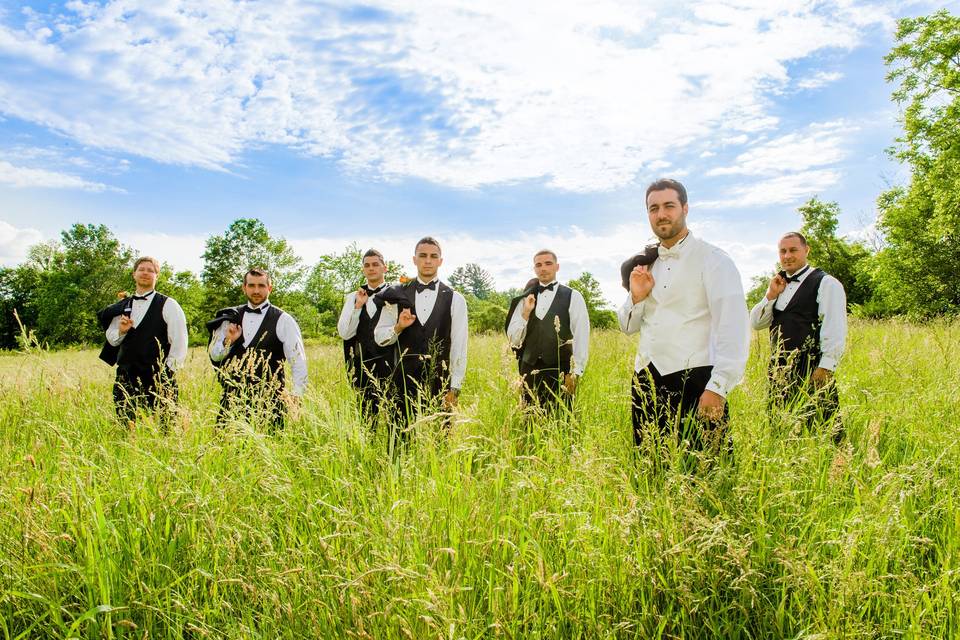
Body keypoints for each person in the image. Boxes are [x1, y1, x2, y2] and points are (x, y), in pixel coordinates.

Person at [618, 178, 749, 454]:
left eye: (669, 206)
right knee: (650, 472)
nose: (661, 214)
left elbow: (734, 329)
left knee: (706, 475)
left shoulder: (714, 260)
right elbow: (627, 327)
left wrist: (719, 387)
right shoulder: (644, 265)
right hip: (646, 382)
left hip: (698, 382)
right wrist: (636, 298)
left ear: (685, 208)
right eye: (653, 208)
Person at [749, 232, 847, 441]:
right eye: (782, 251)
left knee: (824, 432)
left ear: (806, 250)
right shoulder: (779, 285)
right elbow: (756, 323)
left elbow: (835, 328)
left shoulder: (826, 283)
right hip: (779, 372)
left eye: (793, 250)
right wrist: (770, 295)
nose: (787, 256)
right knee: (782, 434)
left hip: (812, 369)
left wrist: (826, 367)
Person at [374, 237, 468, 449]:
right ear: (414, 259)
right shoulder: (396, 295)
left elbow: (460, 346)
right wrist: (398, 327)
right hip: (402, 380)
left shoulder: (456, 299)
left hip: (441, 382)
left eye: (433, 256)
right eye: (423, 256)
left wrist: (455, 387)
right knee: (398, 443)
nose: (428, 261)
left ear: (440, 261)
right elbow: (379, 337)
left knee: (441, 443)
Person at [207, 268, 308, 430]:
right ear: (244, 288)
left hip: (271, 401)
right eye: (251, 285)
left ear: (270, 288)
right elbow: (215, 356)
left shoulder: (284, 320)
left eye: (261, 286)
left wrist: (297, 395)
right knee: (225, 449)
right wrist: (228, 341)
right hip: (232, 398)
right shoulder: (230, 316)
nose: (256, 291)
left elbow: (298, 361)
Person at [97, 256, 188, 427]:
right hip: (126, 378)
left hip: (159, 378)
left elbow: (180, 342)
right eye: (142, 269)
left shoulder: (169, 304)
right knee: (126, 429)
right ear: (134, 274)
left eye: (150, 270)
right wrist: (122, 331)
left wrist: (167, 373)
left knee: (165, 429)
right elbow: (112, 339)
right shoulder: (122, 306)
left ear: (157, 276)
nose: (146, 273)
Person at [505, 250, 590, 411]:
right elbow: (513, 340)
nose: (543, 268)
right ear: (534, 269)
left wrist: (576, 372)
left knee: (561, 422)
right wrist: (525, 314)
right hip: (528, 371)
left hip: (561, 371)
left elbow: (581, 335)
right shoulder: (524, 299)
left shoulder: (573, 296)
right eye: (538, 265)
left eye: (548, 263)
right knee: (530, 423)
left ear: (557, 267)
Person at [338, 248, 394, 424]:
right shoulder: (353, 297)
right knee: (367, 420)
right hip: (363, 366)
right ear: (363, 269)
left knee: (396, 417)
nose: (371, 268)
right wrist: (358, 307)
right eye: (367, 265)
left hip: (392, 364)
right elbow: (345, 333)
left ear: (385, 268)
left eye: (376, 264)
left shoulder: (396, 295)